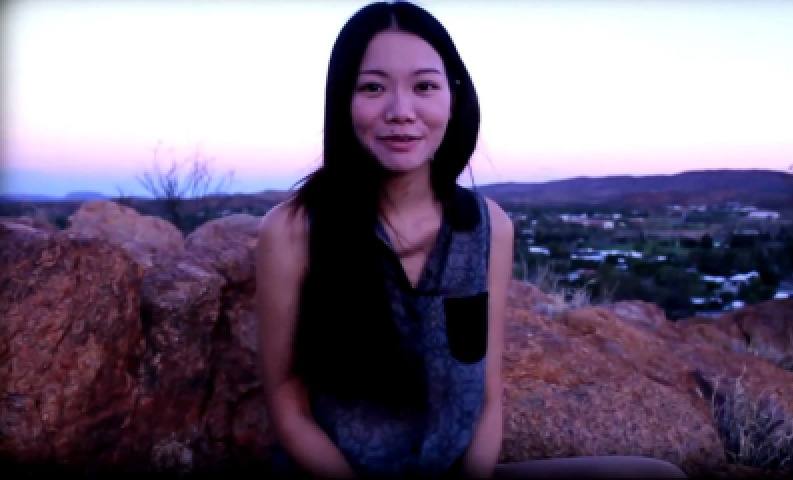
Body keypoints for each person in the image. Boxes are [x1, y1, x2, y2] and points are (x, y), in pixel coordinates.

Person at [255, 2, 686, 478]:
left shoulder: (488, 228)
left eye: (424, 86)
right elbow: (287, 404)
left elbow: (486, 396)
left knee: (658, 475)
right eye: (373, 87)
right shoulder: (293, 231)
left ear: (453, 97)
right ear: (343, 100)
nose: (401, 112)